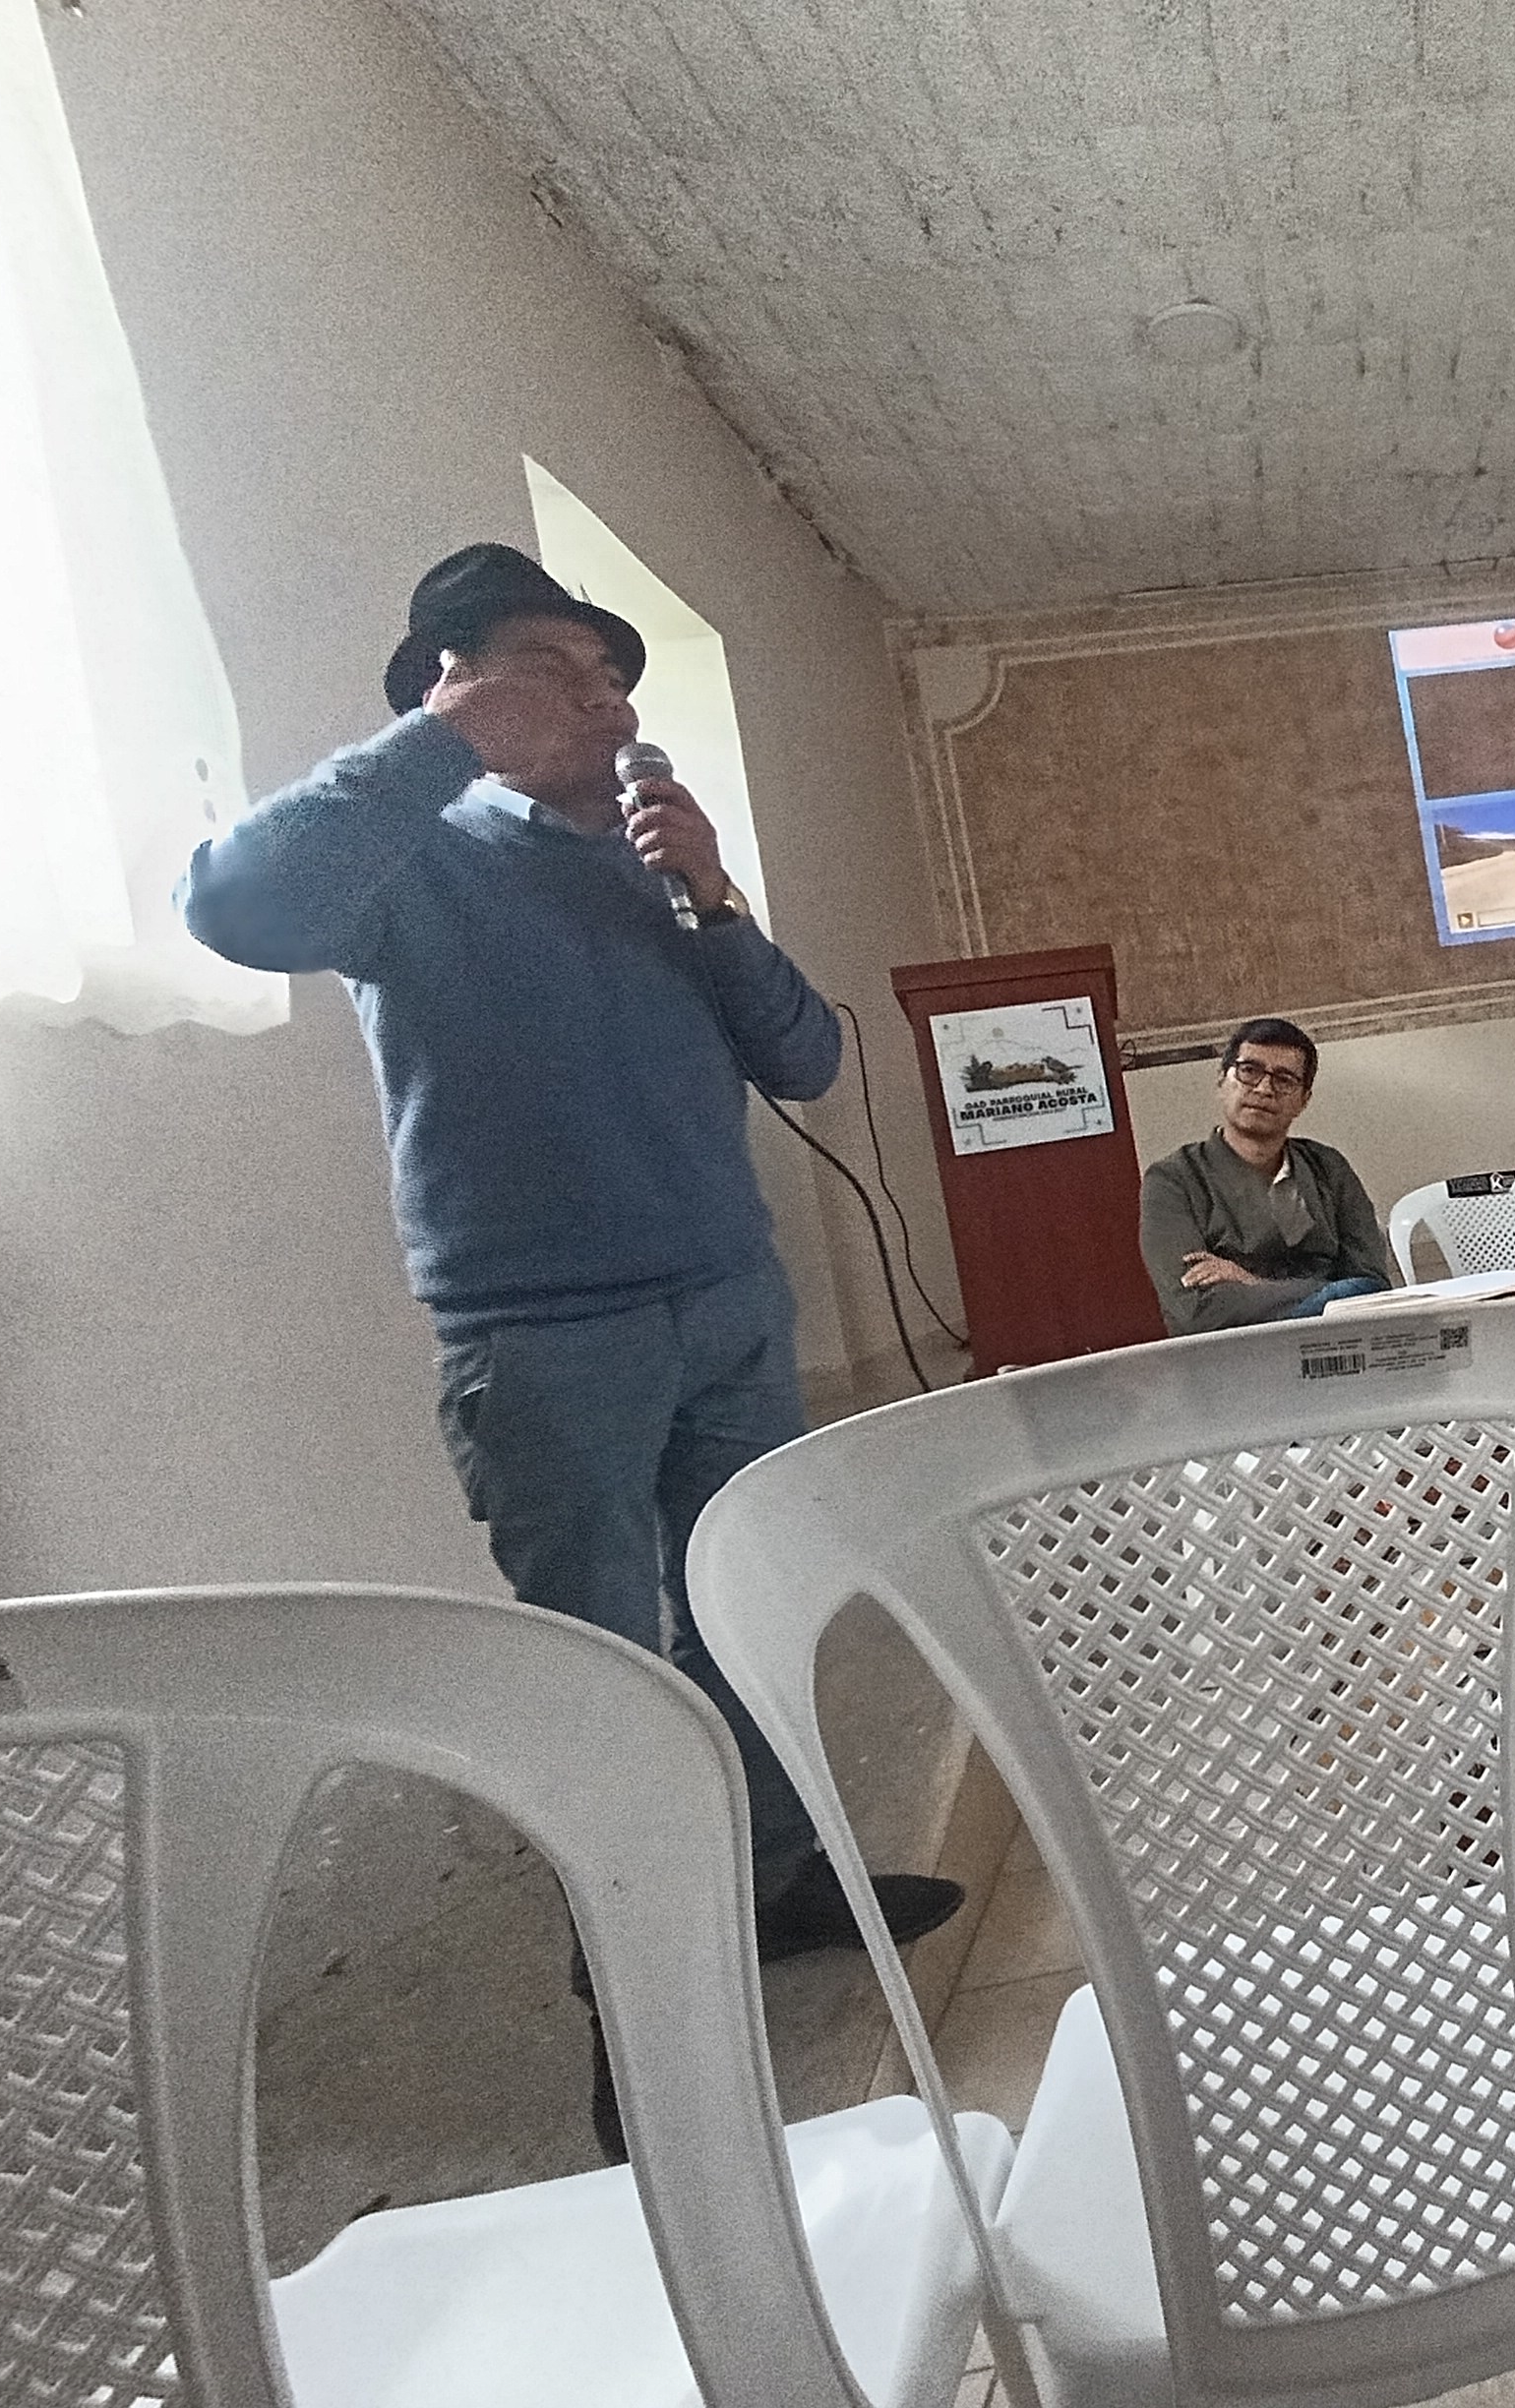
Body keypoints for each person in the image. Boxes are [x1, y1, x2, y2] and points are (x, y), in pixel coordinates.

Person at [179, 545, 963, 1997]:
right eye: (563, 674)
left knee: (743, 1609)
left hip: (731, 1306)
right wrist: (443, 745)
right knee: (599, 1671)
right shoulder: (410, 856)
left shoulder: (659, 873)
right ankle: (640, 1975)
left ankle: (776, 1878)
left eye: (613, 679)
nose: (611, 707)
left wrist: (716, 898)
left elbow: (806, 1057)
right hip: (542, 1341)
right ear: (452, 684)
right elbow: (236, 913)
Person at [1139, 1017, 1392, 1332]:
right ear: (1222, 1081)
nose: (1264, 1088)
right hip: (1233, 1350)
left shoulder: (1328, 1168)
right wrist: (1329, 1293)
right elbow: (1196, 1310)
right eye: (1249, 1071)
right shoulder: (1173, 1180)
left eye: (1284, 1079)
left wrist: (1250, 1282)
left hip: (1336, 1342)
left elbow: (1372, 1289)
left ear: (1303, 1100)